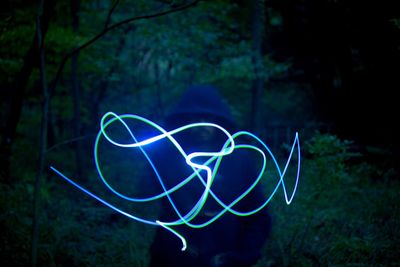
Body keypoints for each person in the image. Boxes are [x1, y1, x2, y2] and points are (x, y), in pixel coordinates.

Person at [147, 84, 271, 267]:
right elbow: (145, 206)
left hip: (224, 258)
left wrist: (241, 257)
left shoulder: (239, 160)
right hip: (173, 259)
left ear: (219, 120)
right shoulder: (167, 159)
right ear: (185, 120)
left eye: (208, 117)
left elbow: (259, 216)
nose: (202, 124)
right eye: (195, 117)